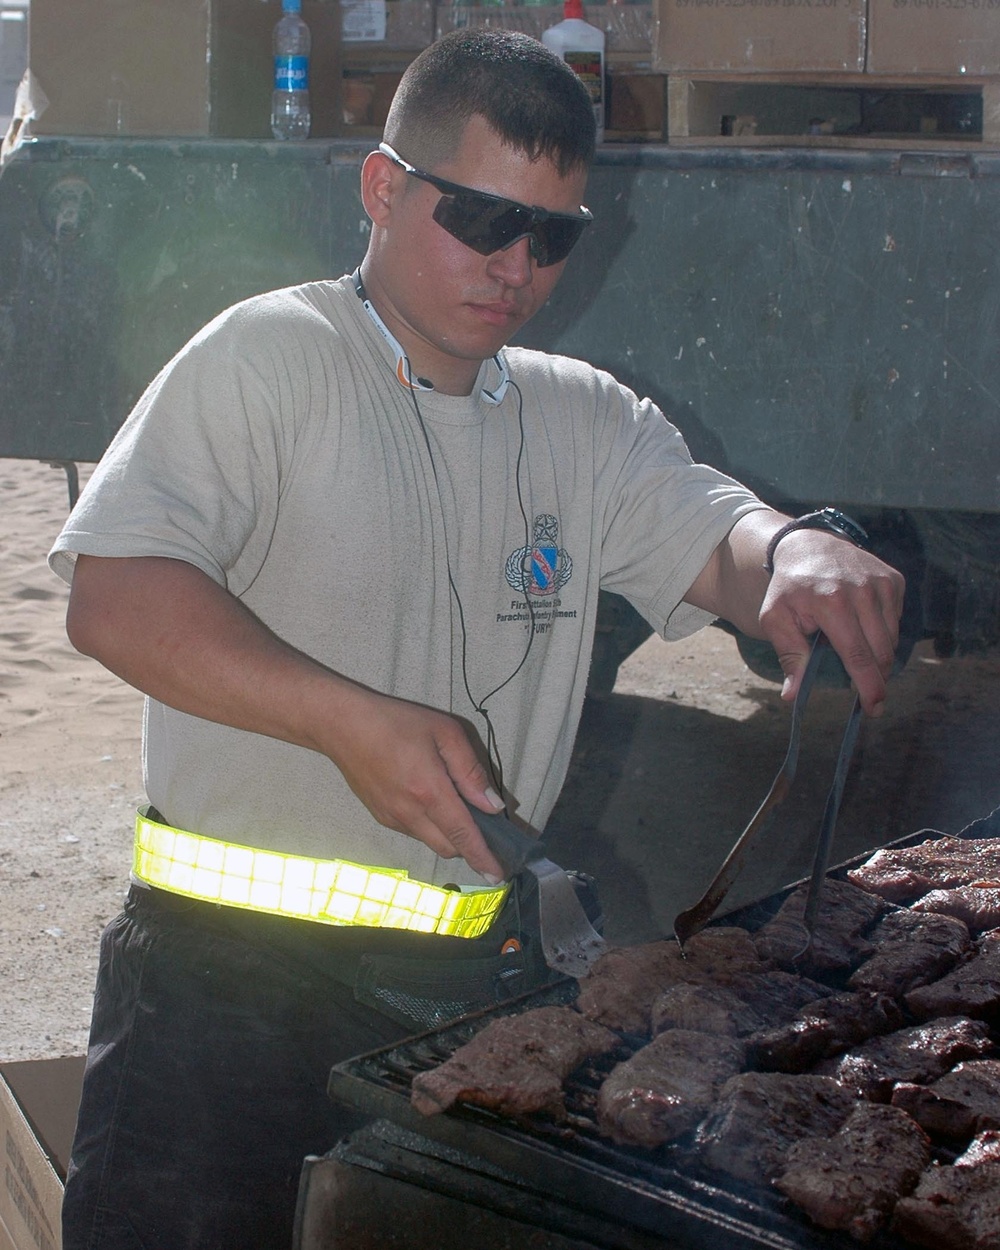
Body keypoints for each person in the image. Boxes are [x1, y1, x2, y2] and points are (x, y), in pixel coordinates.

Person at [49, 27, 904, 1250]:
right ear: (384, 188)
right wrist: (347, 720)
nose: (515, 265)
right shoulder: (269, 358)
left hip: (470, 996)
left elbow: (713, 533)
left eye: (552, 234)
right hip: (220, 991)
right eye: (482, 219)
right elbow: (115, 594)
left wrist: (789, 551)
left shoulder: (579, 415)